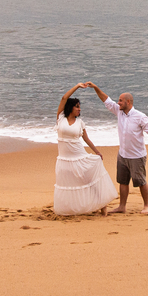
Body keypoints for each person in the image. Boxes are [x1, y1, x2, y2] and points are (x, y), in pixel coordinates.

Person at [86, 82, 148, 214]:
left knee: (141, 181)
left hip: (137, 156)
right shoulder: (119, 112)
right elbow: (106, 99)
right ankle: (122, 206)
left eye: (121, 100)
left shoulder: (140, 116)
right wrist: (95, 87)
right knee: (123, 182)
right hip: (123, 155)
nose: (118, 103)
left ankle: (147, 205)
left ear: (128, 102)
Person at [52, 83, 116, 216]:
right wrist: (77, 86)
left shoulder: (80, 123)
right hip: (65, 159)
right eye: (77, 107)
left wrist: (97, 152)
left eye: (80, 107)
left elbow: (86, 139)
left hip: (79, 156)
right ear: (71, 108)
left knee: (89, 180)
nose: (79, 109)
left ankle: (102, 205)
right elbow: (64, 98)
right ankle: (72, 208)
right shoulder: (61, 118)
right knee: (69, 184)